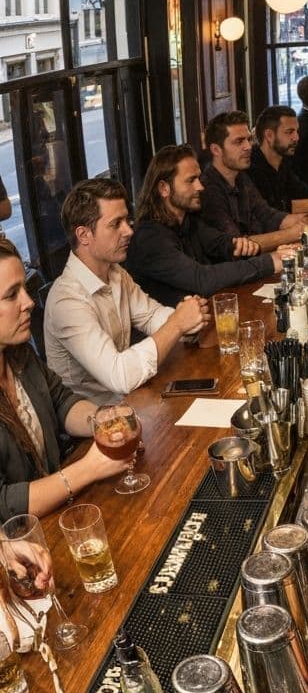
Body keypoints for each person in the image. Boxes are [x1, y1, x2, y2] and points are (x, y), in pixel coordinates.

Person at [44, 179, 209, 403]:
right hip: (97, 418)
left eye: (126, 220)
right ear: (83, 235)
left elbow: (150, 316)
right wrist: (178, 324)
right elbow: (119, 375)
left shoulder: (115, 272)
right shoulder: (66, 302)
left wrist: (189, 320)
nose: (129, 231)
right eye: (116, 224)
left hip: (132, 400)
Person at [0, 237, 129, 521]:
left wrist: (102, 421)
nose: (28, 302)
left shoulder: (20, 355)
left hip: (60, 516)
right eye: (11, 295)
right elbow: (4, 503)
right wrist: (89, 469)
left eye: (24, 289)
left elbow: (61, 402)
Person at [127, 145, 288, 308]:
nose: (200, 186)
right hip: (169, 322)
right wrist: (269, 262)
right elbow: (201, 279)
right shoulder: (149, 238)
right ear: (164, 189)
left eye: (198, 178)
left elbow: (222, 244)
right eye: (191, 180)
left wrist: (246, 246)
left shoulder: (189, 221)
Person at [199, 111, 308, 251]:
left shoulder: (240, 177)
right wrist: (291, 234)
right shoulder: (208, 189)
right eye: (239, 141)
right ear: (216, 150)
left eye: (249, 139)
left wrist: (302, 220)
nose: (248, 146)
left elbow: (266, 215)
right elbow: (236, 245)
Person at [248, 105, 308, 216]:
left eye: (296, 131)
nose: (296, 137)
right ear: (269, 135)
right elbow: (274, 211)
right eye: (289, 132)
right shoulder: (252, 167)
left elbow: (302, 191)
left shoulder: (282, 161)